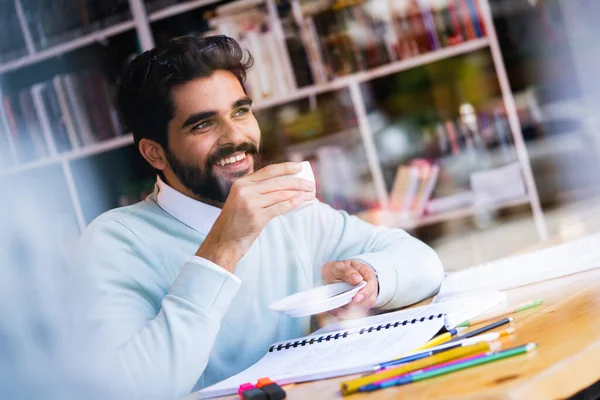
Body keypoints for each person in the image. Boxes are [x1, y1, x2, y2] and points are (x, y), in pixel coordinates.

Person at [73, 35, 444, 398]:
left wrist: (367, 279)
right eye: (203, 124)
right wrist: (224, 245)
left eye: (240, 111)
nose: (236, 136)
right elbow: (133, 388)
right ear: (155, 154)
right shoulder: (113, 242)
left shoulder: (286, 211)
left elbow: (423, 263)